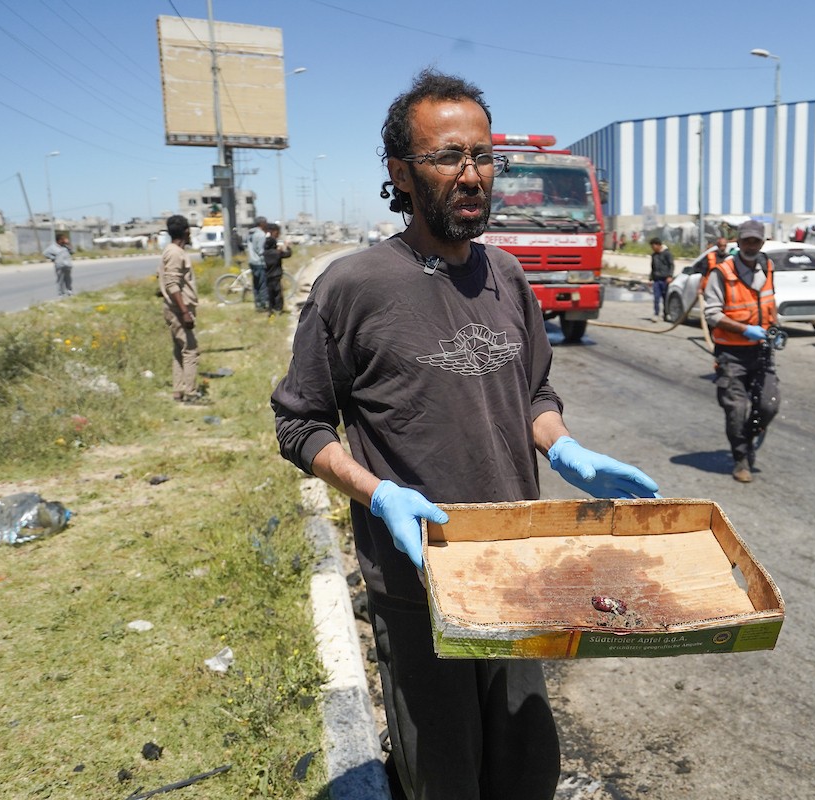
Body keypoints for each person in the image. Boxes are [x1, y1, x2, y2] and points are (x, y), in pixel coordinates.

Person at [270, 69, 658, 800]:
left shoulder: (508, 276)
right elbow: (300, 423)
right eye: (449, 157)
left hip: (518, 572)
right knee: (446, 781)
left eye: (483, 156)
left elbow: (534, 392)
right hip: (419, 585)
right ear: (401, 174)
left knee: (524, 772)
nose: (472, 174)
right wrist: (377, 490)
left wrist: (562, 446)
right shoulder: (353, 288)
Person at [702, 219, 780, 484]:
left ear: (762, 242)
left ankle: (746, 440)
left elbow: (770, 302)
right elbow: (711, 313)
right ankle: (741, 458)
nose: (750, 245)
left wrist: (774, 329)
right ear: (738, 241)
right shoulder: (722, 273)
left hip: (761, 351)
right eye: (746, 240)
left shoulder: (768, 266)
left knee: (769, 405)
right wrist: (744, 329)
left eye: (755, 241)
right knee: (736, 409)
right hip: (731, 354)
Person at [157, 215, 202, 403]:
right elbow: (172, 284)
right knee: (191, 350)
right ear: (186, 232)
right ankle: (190, 393)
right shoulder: (175, 253)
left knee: (179, 350)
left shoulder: (171, 250)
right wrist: (184, 312)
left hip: (175, 307)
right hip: (178, 309)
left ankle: (179, 389)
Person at [263, 223, 291, 314]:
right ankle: (278, 309)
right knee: (278, 293)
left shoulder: (265, 254)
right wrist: (287, 246)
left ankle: (270, 310)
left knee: (269, 293)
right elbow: (288, 254)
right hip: (276, 275)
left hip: (267, 276)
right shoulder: (277, 253)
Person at [648, 237, 674, 321]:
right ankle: (656, 314)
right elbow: (653, 267)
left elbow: (671, 265)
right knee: (656, 298)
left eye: (653, 246)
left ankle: (666, 314)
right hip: (656, 280)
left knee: (665, 298)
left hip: (665, 280)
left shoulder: (667, 254)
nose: (653, 248)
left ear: (658, 245)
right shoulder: (654, 255)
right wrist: (651, 278)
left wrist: (670, 276)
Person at [247, 216, 270, 311]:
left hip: (252, 261)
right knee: (262, 284)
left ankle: (257, 304)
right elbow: (260, 250)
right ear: (261, 223)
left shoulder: (250, 233)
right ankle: (263, 304)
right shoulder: (260, 234)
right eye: (265, 222)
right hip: (260, 262)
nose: (266, 224)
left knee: (256, 285)